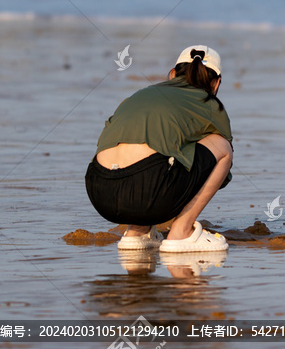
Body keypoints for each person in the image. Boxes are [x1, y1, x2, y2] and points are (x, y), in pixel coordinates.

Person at [85, 45, 233, 252]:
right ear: (216, 83)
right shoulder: (211, 104)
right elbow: (220, 172)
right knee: (223, 147)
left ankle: (136, 232)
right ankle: (181, 231)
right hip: (147, 192)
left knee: (154, 148)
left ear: (172, 74)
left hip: (99, 191)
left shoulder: (141, 94)